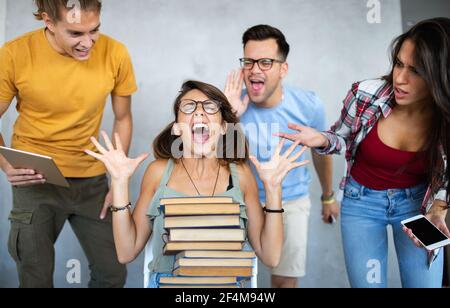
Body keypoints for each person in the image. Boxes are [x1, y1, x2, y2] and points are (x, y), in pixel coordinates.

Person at [277, 18, 450, 288]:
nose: (400, 79)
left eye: (415, 71)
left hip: (418, 205)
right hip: (362, 203)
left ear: (439, 74)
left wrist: (437, 211)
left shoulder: (444, 119)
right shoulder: (365, 95)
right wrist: (321, 137)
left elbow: (446, 177)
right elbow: (341, 137)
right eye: (398, 64)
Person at [85, 80, 310, 288]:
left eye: (210, 107)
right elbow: (126, 252)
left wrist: (273, 189)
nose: (200, 112)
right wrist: (120, 183)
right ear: (176, 128)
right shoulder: (158, 172)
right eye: (189, 107)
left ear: (223, 127)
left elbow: (271, 256)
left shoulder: (240, 175)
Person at [0, 0, 137, 288]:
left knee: (112, 273)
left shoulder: (116, 52)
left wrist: (118, 181)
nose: (88, 42)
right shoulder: (14, 53)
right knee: (34, 277)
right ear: (48, 22)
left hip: (92, 183)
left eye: (94, 30)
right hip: (36, 180)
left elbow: (123, 118)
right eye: (76, 34)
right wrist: (5, 165)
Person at [224, 25, 338, 288]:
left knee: (285, 281)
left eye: (265, 62)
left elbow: (322, 152)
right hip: (242, 203)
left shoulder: (309, 105)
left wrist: (328, 195)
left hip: (291, 201)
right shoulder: (231, 105)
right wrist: (230, 117)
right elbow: (219, 166)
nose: (254, 69)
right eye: (248, 61)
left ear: (282, 69)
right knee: (232, 280)